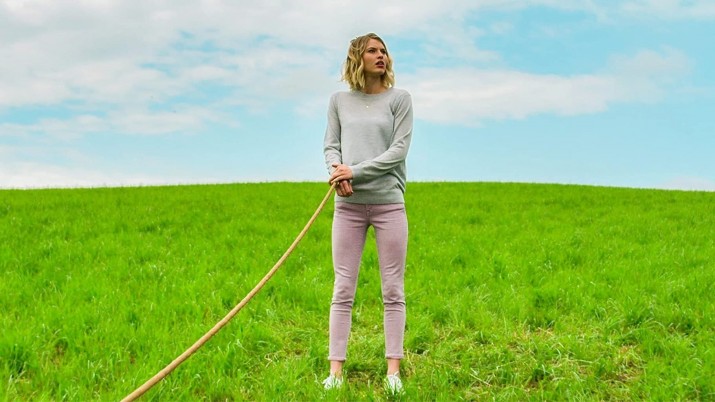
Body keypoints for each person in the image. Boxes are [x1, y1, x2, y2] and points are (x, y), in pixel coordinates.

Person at [322, 32, 413, 394]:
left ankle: (393, 373)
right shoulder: (339, 101)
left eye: (384, 51)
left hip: (389, 203)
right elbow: (331, 146)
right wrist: (337, 171)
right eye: (372, 51)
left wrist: (355, 172)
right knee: (343, 287)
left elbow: (398, 151)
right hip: (348, 207)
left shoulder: (399, 99)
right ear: (357, 58)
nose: (381, 56)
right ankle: (335, 373)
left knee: (392, 288)